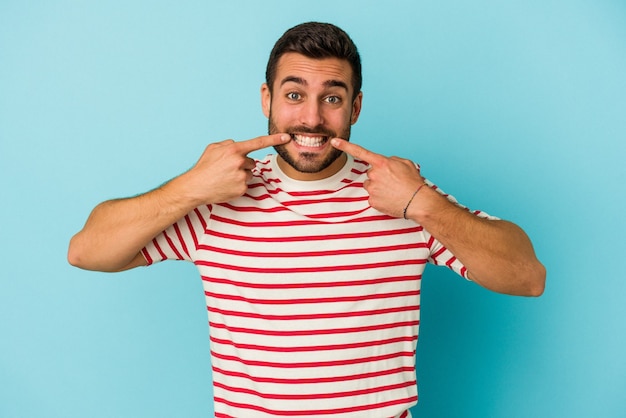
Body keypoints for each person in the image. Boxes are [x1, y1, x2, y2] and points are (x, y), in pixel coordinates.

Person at [68, 22, 545, 418]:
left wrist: (421, 202)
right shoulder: (216, 199)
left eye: (332, 98)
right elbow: (87, 251)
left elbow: (527, 277)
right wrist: (191, 187)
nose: (312, 118)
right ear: (267, 100)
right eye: (294, 95)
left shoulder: (402, 195)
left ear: (355, 106)